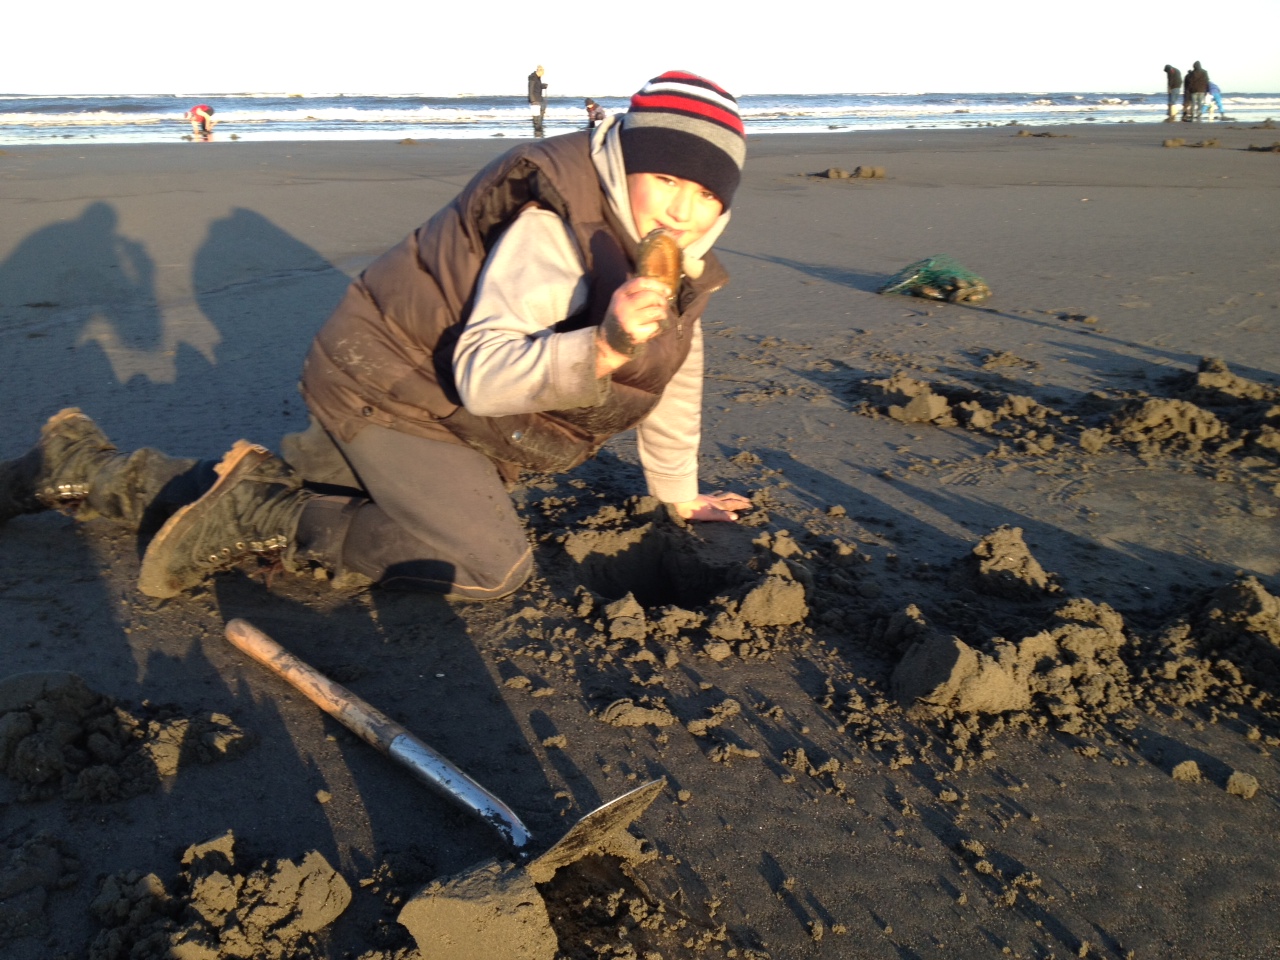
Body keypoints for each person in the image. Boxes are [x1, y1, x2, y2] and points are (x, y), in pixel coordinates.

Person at [1, 70, 753, 604]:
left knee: (311, 486)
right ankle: (261, 516)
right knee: (487, 563)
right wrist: (606, 349)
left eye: (707, 192)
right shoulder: (556, 228)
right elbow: (484, 373)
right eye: (668, 180)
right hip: (389, 385)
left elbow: (671, 374)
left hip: (443, 413)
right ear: (624, 161)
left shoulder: (683, 266)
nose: (683, 209)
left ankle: (78, 467)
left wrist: (678, 494)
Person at [528, 65, 548, 137]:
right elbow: (531, 89)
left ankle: (539, 128)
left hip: (539, 99)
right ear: (539, 71)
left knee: (541, 113)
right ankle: (537, 130)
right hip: (535, 100)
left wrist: (543, 86)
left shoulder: (538, 78)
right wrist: (533, 100)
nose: (542, 75)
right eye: (542, 73)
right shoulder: (533, 78)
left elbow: (537, 87)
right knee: (536, 117)